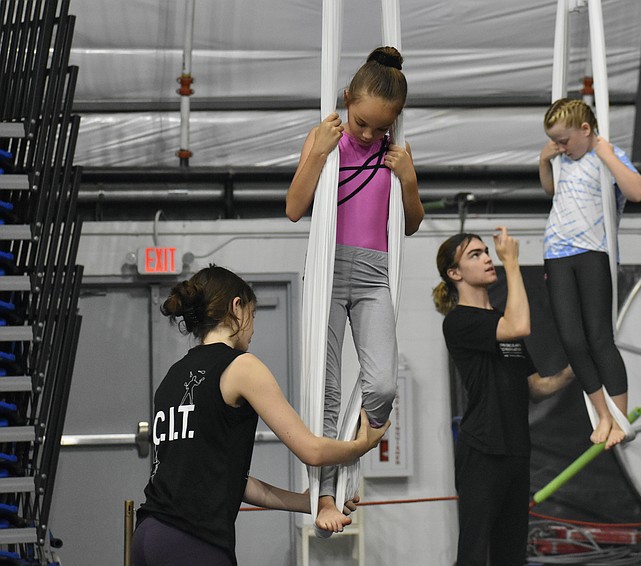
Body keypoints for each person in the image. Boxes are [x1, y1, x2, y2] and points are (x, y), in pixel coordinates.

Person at [132, 265, 389, 566]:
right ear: (236, 307)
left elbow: (229, 480)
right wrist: (362, 445)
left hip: (149, 535)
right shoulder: (242, 367)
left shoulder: (172, 377)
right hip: (192, 539)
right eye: (253, 315)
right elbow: (312, 450)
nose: (252, 330)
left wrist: (308, 502)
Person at [285, 45, 424, 531]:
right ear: (347, 99)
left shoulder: (395, 152)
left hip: (373, 274)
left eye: (380, 128)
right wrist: (321, 152)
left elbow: (410, 225)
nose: (368, 134)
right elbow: (294, 207)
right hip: (327, 268)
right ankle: (326, 496)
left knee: (382, 384)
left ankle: (352, 462)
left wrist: (407, 180)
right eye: (361, 122)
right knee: (325, 389)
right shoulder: (328, 139)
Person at [433, 227, 574, 566]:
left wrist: (576, 369)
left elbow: (537, 388)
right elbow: (519, 327)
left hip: (516, 450)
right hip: (482, 449)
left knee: (511, 554)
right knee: (474, 551)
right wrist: (512, 262)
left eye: (486, 252)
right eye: (475, 255)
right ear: (455, 274)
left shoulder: (501, 319)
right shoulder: (459, 322)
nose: (487, 258)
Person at [538, 98, 641, 450]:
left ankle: (619, 417)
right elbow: (552, 191)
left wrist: (607, 154)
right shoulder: (563, 159)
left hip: (593, 251)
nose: (561, 147)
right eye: (555, 141)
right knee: (572, 340)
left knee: (599, 338)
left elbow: (637, 191)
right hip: (557, 252)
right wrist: (544, 160)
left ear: (586, 130)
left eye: (565, 140)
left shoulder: (605, 155)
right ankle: (601, 413)